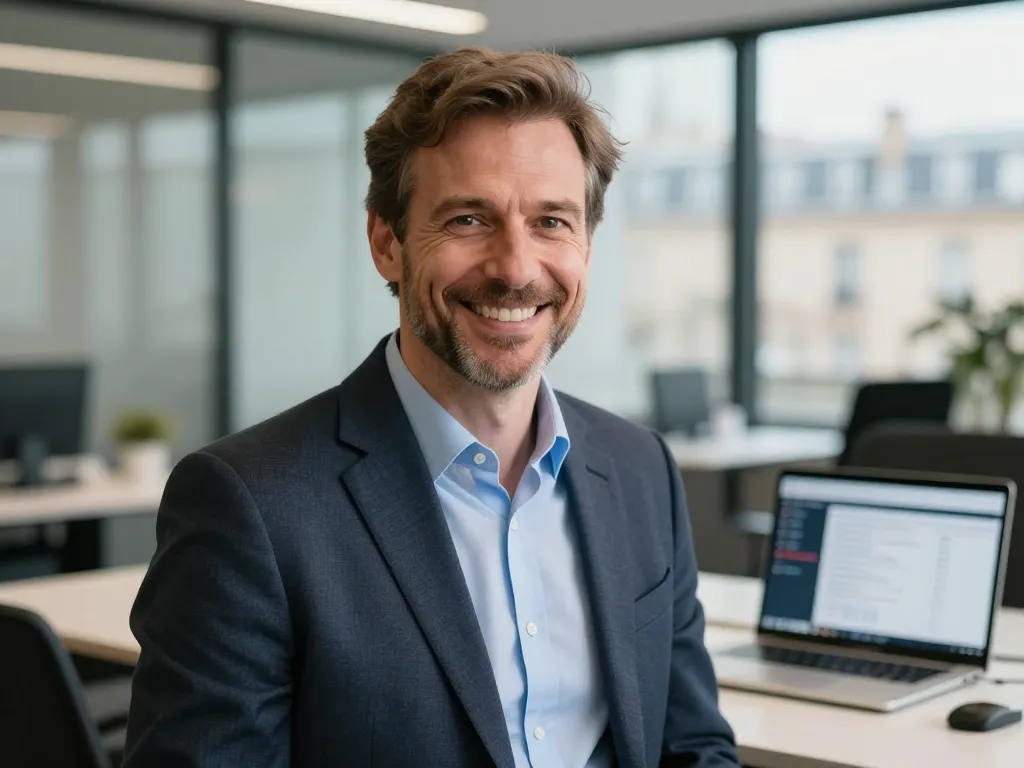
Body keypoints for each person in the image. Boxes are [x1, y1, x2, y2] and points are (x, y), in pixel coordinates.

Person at [123, 47, 739, 768]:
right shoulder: (251, 505)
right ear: (387, 242)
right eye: (470, 220)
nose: (515, 268)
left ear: (587, 245)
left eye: (551, 222)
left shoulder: (640, 470)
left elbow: (692, 745)